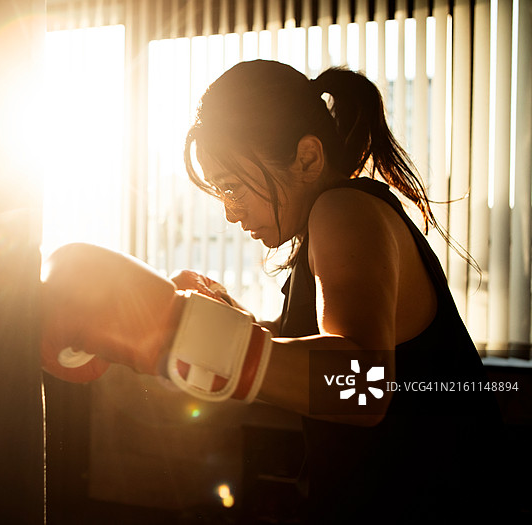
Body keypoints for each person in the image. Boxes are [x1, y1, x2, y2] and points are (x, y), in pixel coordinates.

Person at [41, 60, 512, 523]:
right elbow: (323, 358)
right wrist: (223, 321)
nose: (229, 213)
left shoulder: (345, 210)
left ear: (307, 158)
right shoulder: (336, 220)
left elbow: (362, 388)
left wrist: (182, 330)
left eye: (233, 188)